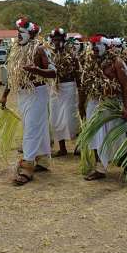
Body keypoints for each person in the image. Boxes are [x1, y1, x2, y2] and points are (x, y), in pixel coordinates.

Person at [0, 17, 56, 186]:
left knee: (32, 128)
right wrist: (4, 95)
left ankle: (26, 167)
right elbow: (12, 75)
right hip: (23, 94)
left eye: (21, 33)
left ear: (30, 35)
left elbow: (53, 72)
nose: (18, 36)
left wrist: (36, 70)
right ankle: (43, 160)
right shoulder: (16, 49)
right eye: (17, 32)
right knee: (35, 126)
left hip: (37, 93)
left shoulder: (39, 49)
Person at [82, 35, 127, 181]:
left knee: (116, 136)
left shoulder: (117, 62)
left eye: (98, 45)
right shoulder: (90, 62)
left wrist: (126, 108)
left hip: (111, 104)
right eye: (92, 46)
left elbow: (126, 86)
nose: (94, 48)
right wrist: (82, 104)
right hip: (94, 103)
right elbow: (85, 85)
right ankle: (100, 169)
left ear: (107, 47)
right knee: (94, 135)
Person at [48, 28, 81, 157]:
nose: (56, 42)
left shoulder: (72, 54)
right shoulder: (49, 54)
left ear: (63, 40)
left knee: (70, 118)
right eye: (54, 40)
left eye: (59, 40)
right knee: (55, 118)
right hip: (55, 88)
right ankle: (62, 148)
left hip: (69, 87)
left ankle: (79, 145)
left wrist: (80, 89)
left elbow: (78, 73)